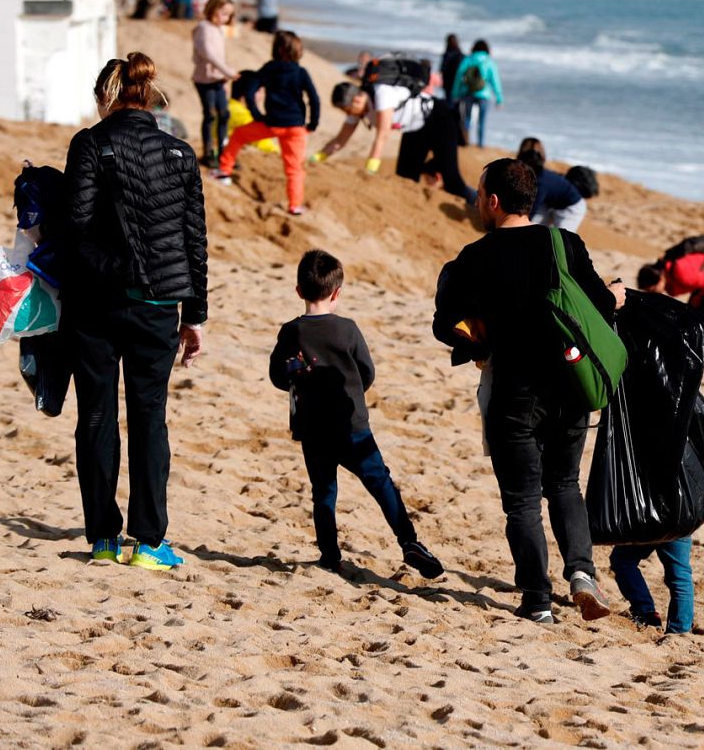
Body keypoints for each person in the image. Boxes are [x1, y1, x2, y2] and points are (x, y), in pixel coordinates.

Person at [431, 159, 627, 623]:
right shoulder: (563, 243)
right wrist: (616, 294)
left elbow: (444, 325)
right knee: (564, 485)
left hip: (515, 392)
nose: (478, 203)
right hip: (571, 386)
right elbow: (598, 306)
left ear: (494, 202)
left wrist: (476, 341)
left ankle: (537, 601)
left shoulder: (473, 257)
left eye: (480, 196)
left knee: (521, 500)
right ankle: (581, 574)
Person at [62, 53, 207, 572]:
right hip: (157, 306)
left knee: (97, 416)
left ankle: (103, 537)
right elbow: (194, 240)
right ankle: (148, 544)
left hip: (96, 306)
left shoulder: (91, 143)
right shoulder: (180, 153)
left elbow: (74, 229)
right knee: (150, 419)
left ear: (108, 95)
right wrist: (195, 315)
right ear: (148, 96)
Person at [269, 249, 444, 578]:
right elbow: (367, 373)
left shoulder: (290, 332)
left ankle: (330, 556)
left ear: (298, 291)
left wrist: (300, 379)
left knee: (323, 492)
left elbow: (278, 377)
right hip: (352, 427)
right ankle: (409, 541)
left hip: (312, 429)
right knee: (380, 482)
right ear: (336, 293)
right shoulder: (347, 330)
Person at [321, 79, 476, 205]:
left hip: (439, 119)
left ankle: (479, 204)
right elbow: (339, 141)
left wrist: (369, 172)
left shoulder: (382, 94)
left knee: (452, 181)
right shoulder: (357, 108)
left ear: (356, 100)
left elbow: (382, 136)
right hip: (414, 129)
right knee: (405, 177)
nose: (348, 114)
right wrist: (316, 158)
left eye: (347, 110)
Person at [215, 31, 320, 214]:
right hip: (296, 127)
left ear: (276, 49)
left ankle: (224, 170)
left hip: (271, 123)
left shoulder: (268, 69)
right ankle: (294, 206)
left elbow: (249, 91)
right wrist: (313, 123)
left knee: (238, 136)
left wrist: (256, 115)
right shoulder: (301, 72)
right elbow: (314, 98)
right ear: (297, 51)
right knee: (294, 169)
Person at [191, 0, 238, 168]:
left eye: (229, 15)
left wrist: (225, 76)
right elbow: (208, 54)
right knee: (210, 114)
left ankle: (223, 150)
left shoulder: (218, 29)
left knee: (224, 114)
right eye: (223, 13)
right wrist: (227, 71)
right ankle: (209, 152)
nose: (226, 18)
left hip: (218, 79)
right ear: (213, 9)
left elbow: (220, 55)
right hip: (204, 80)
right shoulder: (203, 28)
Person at [610, 538, 693, 635]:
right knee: (681, 577)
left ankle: (646, 613)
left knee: (622, 559)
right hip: (681, 527)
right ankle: (680, 630)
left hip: (651, 527)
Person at [516, 138, 585, 231]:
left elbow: (531, 210)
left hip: (570, 207)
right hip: (549, 203)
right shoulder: (536, 175)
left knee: (563, 239)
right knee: (534, 229)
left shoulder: (540, 182)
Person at [453, 39, 504, 147]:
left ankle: (465, 142)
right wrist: (499, 98)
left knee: (467, 119)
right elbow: (495, 81)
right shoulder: (489, 61)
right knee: (482, 121)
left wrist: (455, 94)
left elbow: (458, 77)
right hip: (484, 95)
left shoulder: (468, 59)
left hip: (468, 93)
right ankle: (480, 144)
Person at [439, 34, 464, 101]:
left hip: (448, 83)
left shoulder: (447, 54)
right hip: (459, 83)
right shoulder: (461, 54)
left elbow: (442, 69)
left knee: (449, 104)